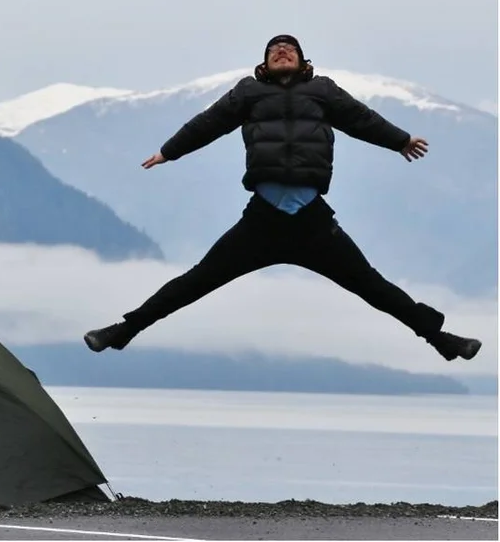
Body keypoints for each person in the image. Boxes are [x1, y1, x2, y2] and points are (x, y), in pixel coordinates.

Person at [83, 34, 482, 362]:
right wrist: (170, 151)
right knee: (194, 283)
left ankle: (442, 340)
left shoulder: (323, 91)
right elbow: (208, 123)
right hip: (263, 221)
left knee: (373, 287)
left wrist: (399, 141)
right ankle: (121, 331)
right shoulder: (248, 93)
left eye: (289, 48)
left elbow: (361, 118)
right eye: (274, 50)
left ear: (304, 61)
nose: (282, 51)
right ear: (264, 64)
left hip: (312, 223)